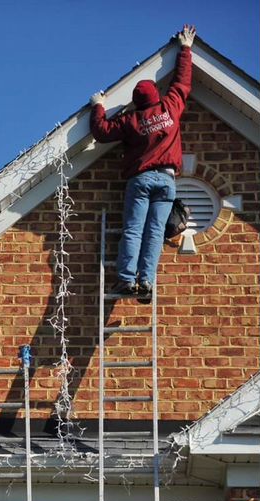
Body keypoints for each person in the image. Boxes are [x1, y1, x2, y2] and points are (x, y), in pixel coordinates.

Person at [90, 25, 196, 300]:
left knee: (134, 229)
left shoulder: (131, 120)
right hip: (167, 181)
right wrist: (185, 48)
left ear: (136, 103)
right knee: (155, 233)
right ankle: (146, 281)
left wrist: (99, 105)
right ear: (156, 97)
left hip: (141, 180)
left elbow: (102, 132)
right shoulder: (170, 107)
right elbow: (182, 82)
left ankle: (126, 279)